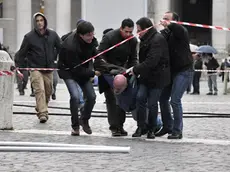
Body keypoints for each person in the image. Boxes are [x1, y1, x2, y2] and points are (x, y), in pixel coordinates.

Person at [94, 18, 138, 137]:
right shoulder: (109, 37)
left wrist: (132, 69)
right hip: (108, 71)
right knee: (112, 99)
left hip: (123, 73)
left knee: (122, 99)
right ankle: (114, 127)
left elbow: (134, 58)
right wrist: (110, 68)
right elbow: (99, 56)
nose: (128, 34)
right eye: (126, 32)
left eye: (130, 32)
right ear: (121, 28)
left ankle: (120, 125)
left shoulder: (133, 40)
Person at [16, 12, 62, 123]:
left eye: (41, 20)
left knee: (48, 91)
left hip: (49, 68)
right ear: (34, 23)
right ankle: (43, 113)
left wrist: (59, 61)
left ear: (45, 21)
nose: (39, 23)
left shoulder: (53, 35)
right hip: (35, 68)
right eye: (37, 21)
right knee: (39, 90)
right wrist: (19, 68)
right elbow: (21, 53)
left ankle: (41, 107)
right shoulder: (29, 37)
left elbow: (62, 48)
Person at [58, 21, 101, 136]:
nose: (91, 37)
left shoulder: (91, 39)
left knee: (92, 96)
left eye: (93, 34)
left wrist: (102, 65)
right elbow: (76, 70)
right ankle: (75, 126)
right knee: (75, 97)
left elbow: (95, 55)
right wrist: (93, 73)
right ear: (80, 35)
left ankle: (84, 119)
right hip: (69, 71)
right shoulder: (70, 46)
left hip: (82, 69)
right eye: (88, 35)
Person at [130, 17, 170, 139]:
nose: (138, 32)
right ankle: (141, 126)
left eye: (139, 30)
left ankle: (151, 128)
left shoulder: (157, 39)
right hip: (145, 76)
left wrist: (135, 69)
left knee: (152, 103)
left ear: (146, 29)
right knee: (140, 98)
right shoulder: (145, 39)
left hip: (157, 77)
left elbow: (152, 61)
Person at [157, 12, 193, 139]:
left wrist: (170, 25)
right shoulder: (166, 33)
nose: (163, 21)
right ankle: (167, 126)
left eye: (167, 19)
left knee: (175, 100)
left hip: (184, 70)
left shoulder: (181, 31)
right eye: (163, 19)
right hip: (170, 72)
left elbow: (178, 29)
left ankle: (177, 130)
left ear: (175, 21)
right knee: (162, 98)